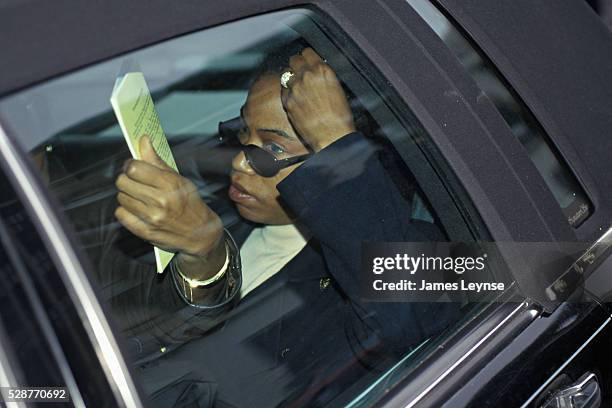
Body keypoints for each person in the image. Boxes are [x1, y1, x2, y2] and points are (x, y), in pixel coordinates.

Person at [108, 47, 460, 407]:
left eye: (273, 148)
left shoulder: (383, 259)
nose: (240, 162)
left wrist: (336, 142)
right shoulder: (207, 209)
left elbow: (414, 320)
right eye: (243, 133)